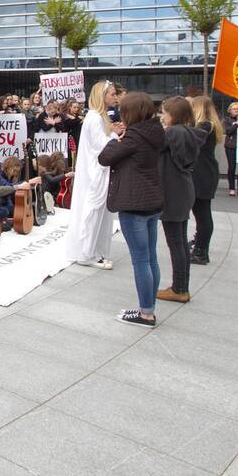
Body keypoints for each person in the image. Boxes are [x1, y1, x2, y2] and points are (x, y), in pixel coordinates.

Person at [99, 92, 165, 328]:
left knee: (141, 260)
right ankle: (149, 306)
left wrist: (115, 137)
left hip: (134, 202)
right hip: (152, 200)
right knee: (150, 257)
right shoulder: (156, 131)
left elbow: (104, 158)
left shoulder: (133, 136)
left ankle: (146, 314)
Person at [64, 81, 120, 269]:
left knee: (100, 214)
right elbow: (100, 145)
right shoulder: (95, 117)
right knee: (92, 213)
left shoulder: (98, 117)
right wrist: (114, 136)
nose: (115, 97)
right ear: (101, 96)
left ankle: (95, 250)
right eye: (112, 94)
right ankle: (87, 253)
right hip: (95, 173)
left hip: (99, 171)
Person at [157, 96, 200, 303]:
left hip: (173, 191)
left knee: (176, 242)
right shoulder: (189, 132)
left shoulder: (173, 132)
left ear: (173, 113)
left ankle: (179, 288)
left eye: (164, 112)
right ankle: (181, 286)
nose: (162, 116)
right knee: (180, 241)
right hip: (182, 189)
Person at [188, 96, 222, 265]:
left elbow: (191, 141)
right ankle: (199, 243)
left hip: (202, 175)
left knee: (202, 214)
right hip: (205, 173)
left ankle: (201, 251)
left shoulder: (205, 126)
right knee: (201, 213)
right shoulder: (209, 125)